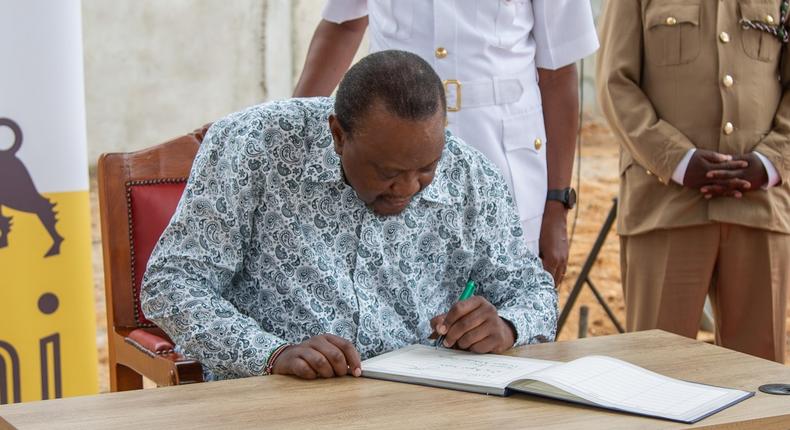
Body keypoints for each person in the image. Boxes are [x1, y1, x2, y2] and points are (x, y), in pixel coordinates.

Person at [141, 50, 557, 380]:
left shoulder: (471, 173)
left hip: (425, 402)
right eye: (389, 173)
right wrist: (272, 354)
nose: (409, 188)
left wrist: (506, 325)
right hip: (278, 399)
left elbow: (533, 290)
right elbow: (173, 282)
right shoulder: (254, 146)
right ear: (338, 135)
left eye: (427, 168)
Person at [292, 1, 599, 284]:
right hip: (397, 167)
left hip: (502, 164)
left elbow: (558, 73)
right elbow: (344, 25)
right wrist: (295, 131)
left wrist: (557, 205)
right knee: (393, 295)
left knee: (499, 309)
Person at [597, 1, 790, 362]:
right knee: (654, 374)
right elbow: (614, 85)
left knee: (760, 379)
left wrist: (771, 162)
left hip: (760, 205)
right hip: (665, 202)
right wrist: (677, 160)